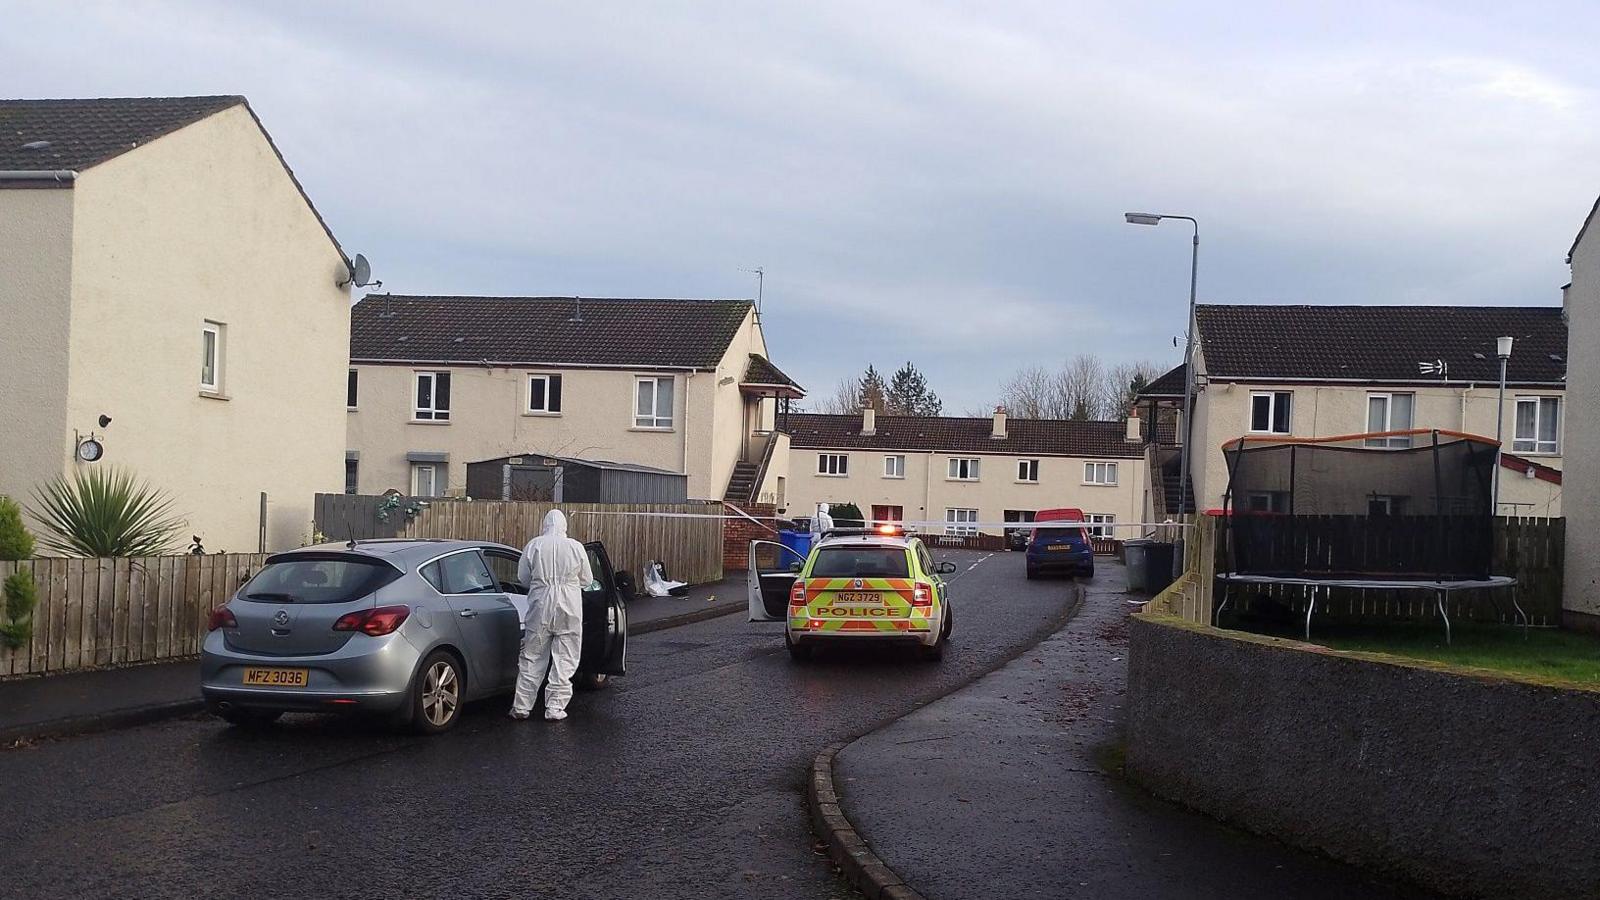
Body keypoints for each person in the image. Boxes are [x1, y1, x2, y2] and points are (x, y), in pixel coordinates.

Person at [510, 509, 594, 722]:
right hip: (569, 604)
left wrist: (541, 584)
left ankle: (522, 706)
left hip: (540, 603)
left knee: (532, 654)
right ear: (565, 526)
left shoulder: (534, 545)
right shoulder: (575, 547)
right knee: (565, 657)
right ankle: (555, 707)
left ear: (544, 525)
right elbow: (587, 579)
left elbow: (523, 577)